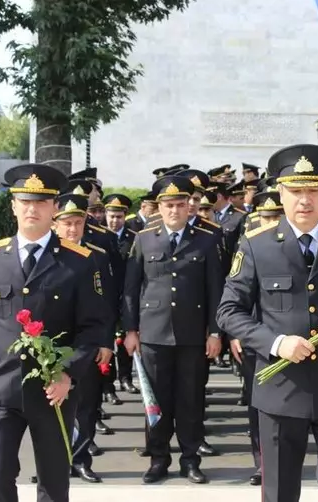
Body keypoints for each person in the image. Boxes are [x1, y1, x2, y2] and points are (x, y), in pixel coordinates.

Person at [217, 144, 318, 502]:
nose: (305, 200)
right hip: (280, 390)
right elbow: (229, 311)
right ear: (281, 194)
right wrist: (276, 343)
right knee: (279, 493)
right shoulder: (257, 245)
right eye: (296, 191)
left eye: (313, 191)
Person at [0, 163, 107, 502]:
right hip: (1, 388)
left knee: (54, 483)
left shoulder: (79, 262)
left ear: (54, 208)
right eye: (24, 201)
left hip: (52, 390)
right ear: (13, 205)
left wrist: (69, 374)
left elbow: (93, 328)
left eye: (41, 202)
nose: (32, 209)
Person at [121, 175, 225, 485]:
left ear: (190, 206)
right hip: (153, 334)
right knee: (156, 401)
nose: (175, 210)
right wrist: (131, 330)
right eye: (169, 205)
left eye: (181, 204)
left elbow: (215, 290)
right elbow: (130, 289)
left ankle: (190, 459)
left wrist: (215, 332)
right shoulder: (145, 238)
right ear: (159, 207)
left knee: (191, 400)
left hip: (193, 335)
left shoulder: (208, 238)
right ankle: (158, 458)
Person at [50, 192, 118, 483]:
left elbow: (107, 303)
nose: (72, 229)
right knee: (50, 408)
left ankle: (81, 459)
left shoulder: (96, 257)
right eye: (66, 224)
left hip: (87, 343)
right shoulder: (44, 255)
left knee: (86, 403)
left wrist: (106, 342)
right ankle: (52, 463)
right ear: (55, 225)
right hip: (50, 345)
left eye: (78, 223)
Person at [227, 186, 284, 486]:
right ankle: (262, 461)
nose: (269, 222)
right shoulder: (248, 246)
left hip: (291, 340)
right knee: (257, 404)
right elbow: (234, 299)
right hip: (254, 338)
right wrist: (235, 335)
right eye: (265, 217)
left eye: (275, 216)